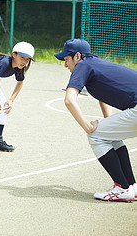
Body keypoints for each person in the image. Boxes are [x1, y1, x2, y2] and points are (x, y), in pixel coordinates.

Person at [54, 38, 137, 202]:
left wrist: (87, 127)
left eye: (66, 59)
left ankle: (122, 187)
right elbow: (104, 97)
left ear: (77, 56)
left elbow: (69, 100)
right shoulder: (96, 63)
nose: (65, 65)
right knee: (109, 135)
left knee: (95, 136)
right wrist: (110, 123)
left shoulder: (82, 65)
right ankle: (131, 187)